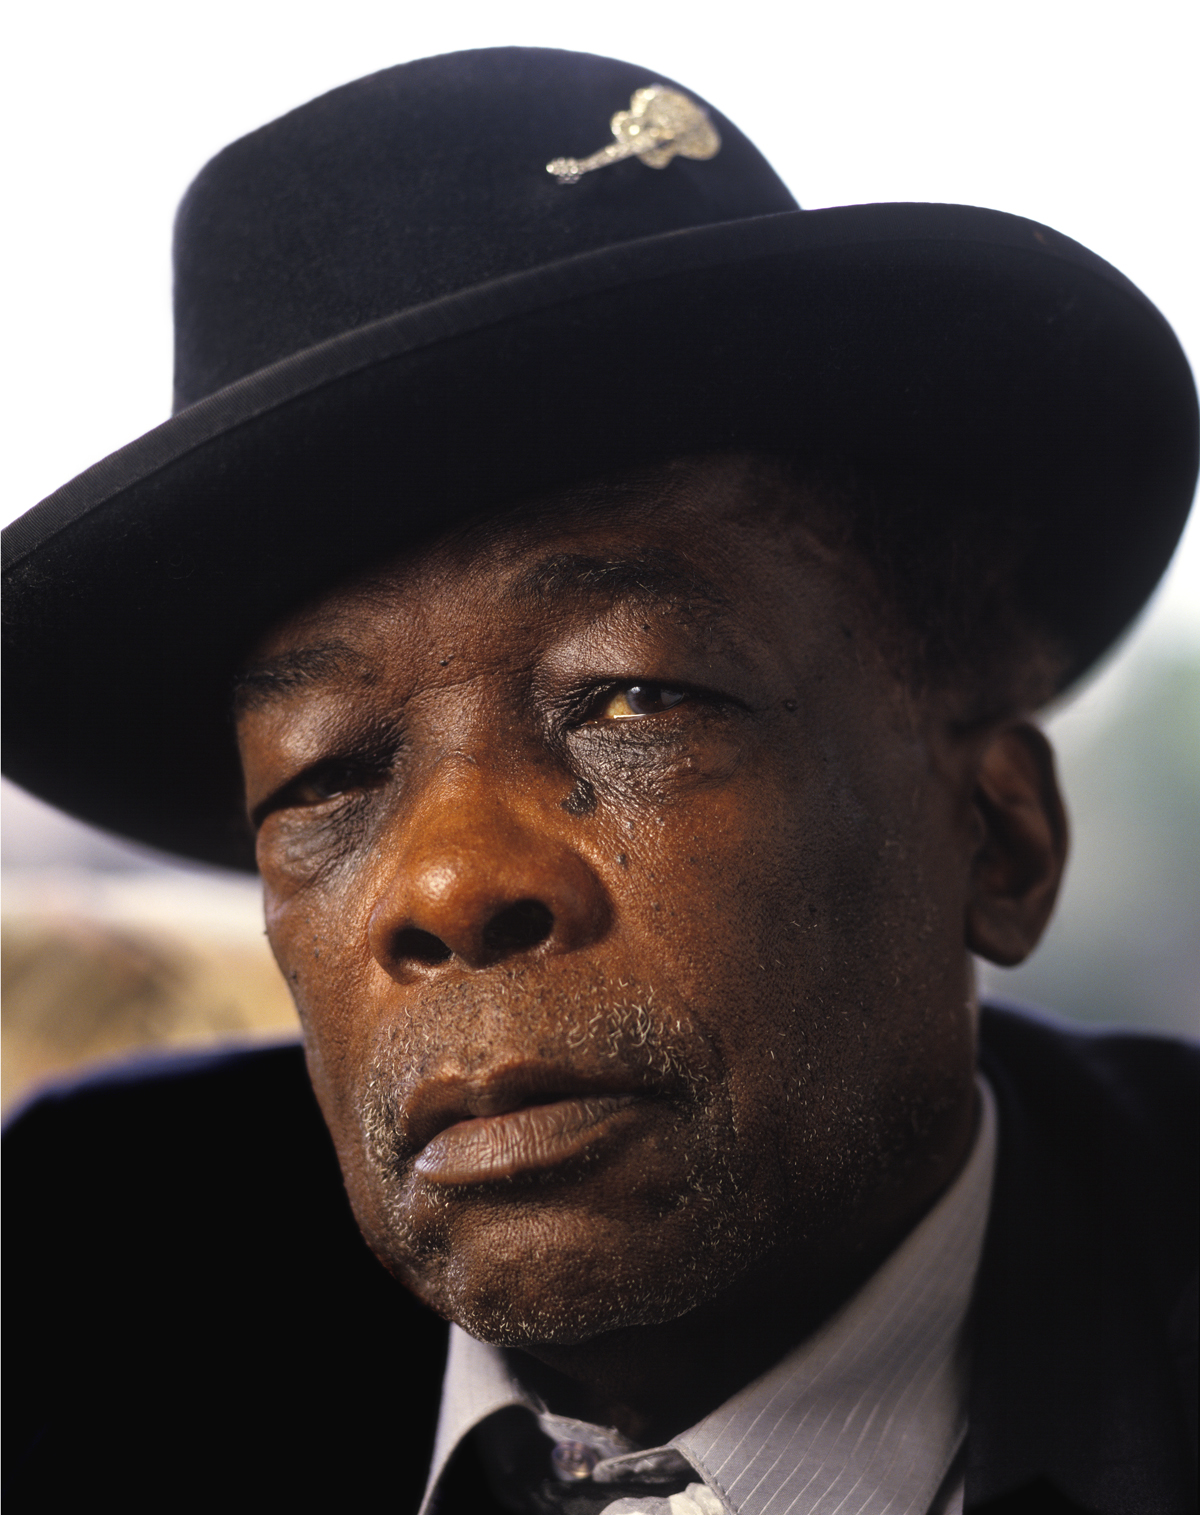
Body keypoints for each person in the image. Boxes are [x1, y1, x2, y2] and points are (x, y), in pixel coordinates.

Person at [3, 47, 1196, 1515]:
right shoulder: (70, 1294)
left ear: (998, 835)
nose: (446, 884)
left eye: (632, 696)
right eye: (321, 780)